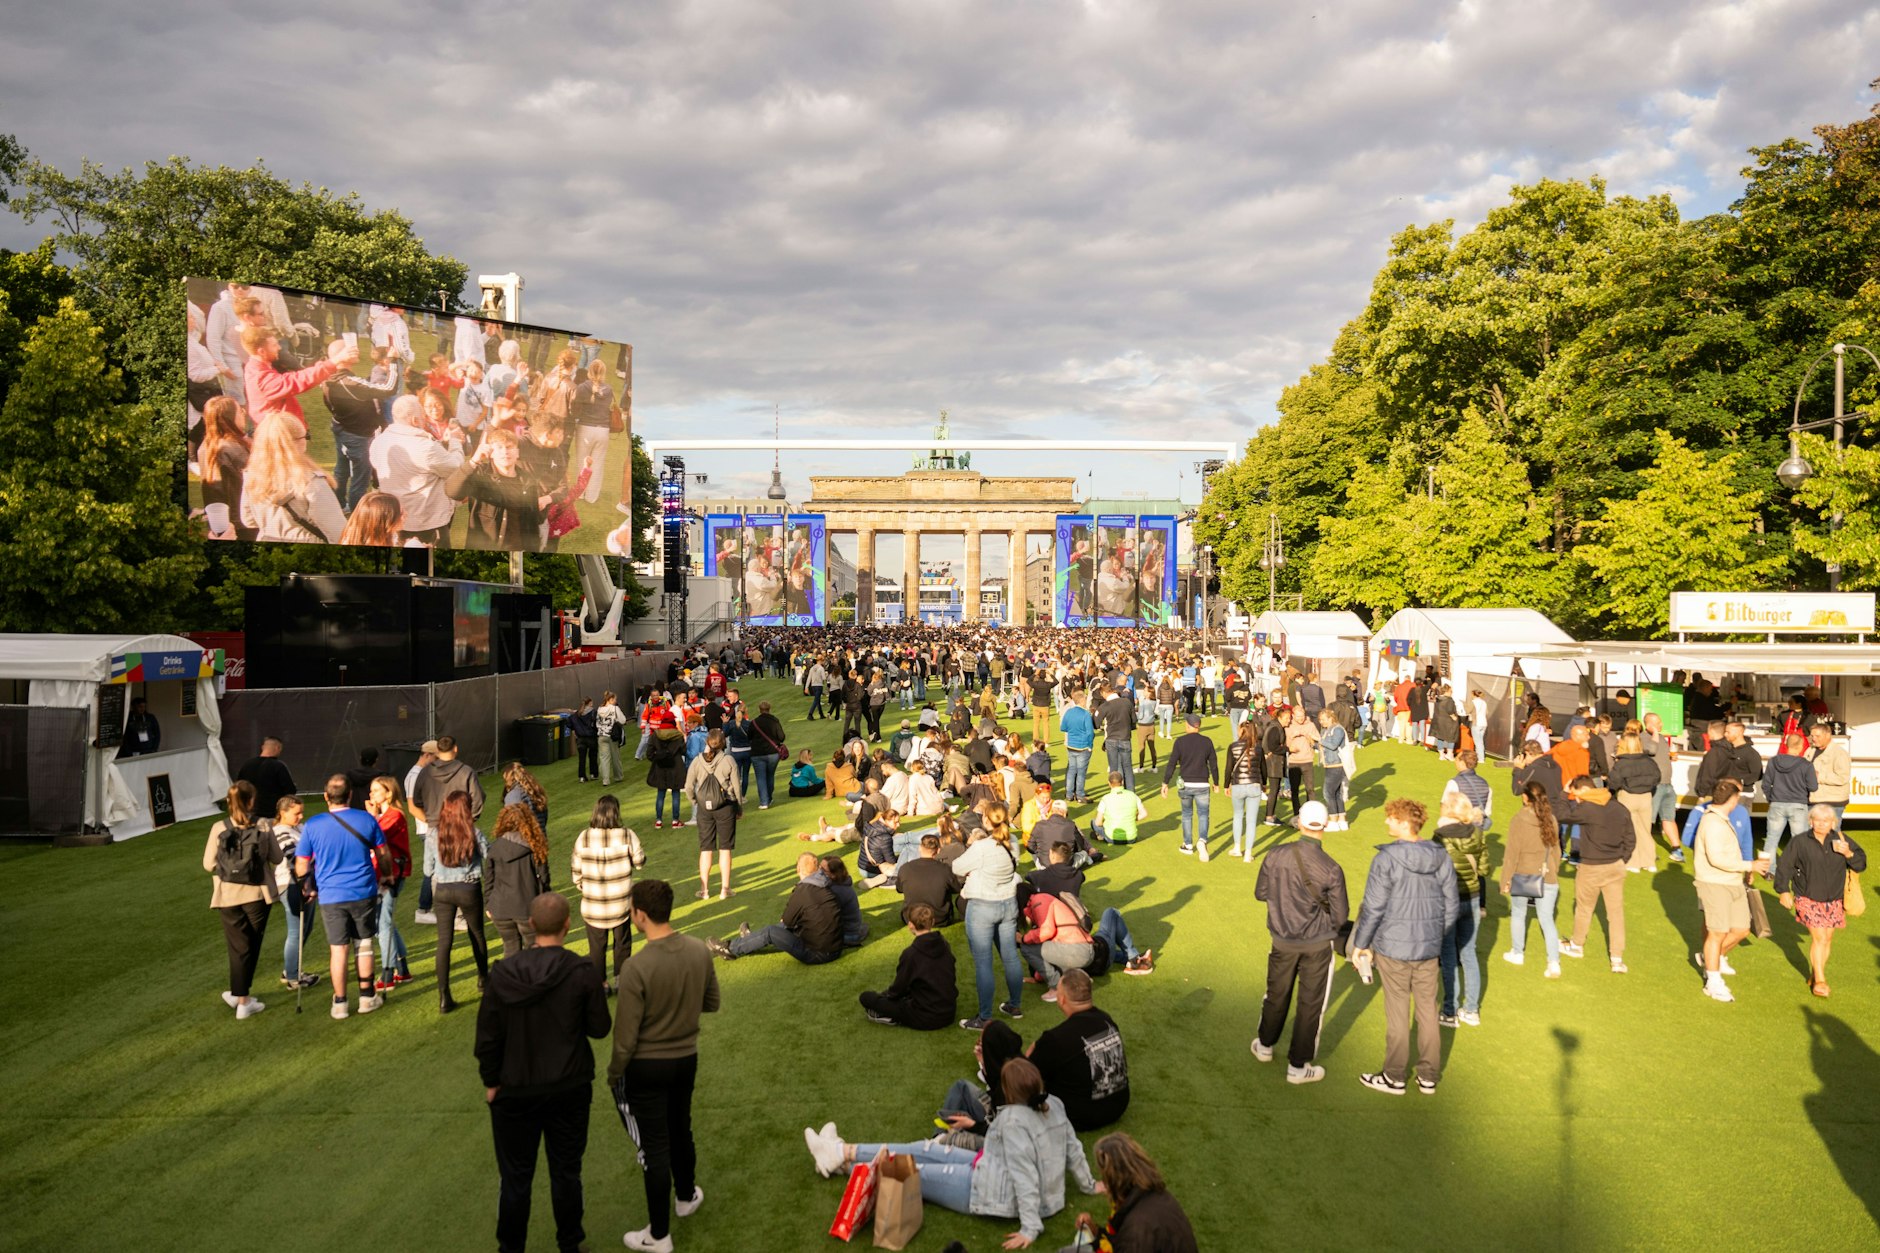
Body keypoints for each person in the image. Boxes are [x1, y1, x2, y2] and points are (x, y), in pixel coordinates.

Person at [802, 1057, 1102, 1250]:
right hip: (990, 1169)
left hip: (991, 1191)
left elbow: (1025, 1176)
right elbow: (1073, 1149)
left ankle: (840, 1160)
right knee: (922, 1149)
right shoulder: (1055, 1104)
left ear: (1009, 1093)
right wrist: (1088, 1184)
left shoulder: (1013, 1123)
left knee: (909, 1170)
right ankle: (841, 1151)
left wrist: (1030, 1229)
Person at [476, 892, 611, 1253]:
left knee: (516, 1177)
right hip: (567, 1086)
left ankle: (512, 1247)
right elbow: (599, 1028)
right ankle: (570, 1243)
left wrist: (492, 1081)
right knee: (566, 1171)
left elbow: (487, 1036)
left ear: (532, 926)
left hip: (516, 1090)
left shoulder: (504, 972)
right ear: (568, 925)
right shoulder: (581, 971)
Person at [609, 880, 721, 1253]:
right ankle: (686, 1196)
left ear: (639, 915)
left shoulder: (636, 966)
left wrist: (614, 1073)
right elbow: (712, 1002)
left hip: (645, 1067)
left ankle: (659, 1235)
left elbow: (625, 1037)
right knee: (680, 1128)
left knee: (655, 1147)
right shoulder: (697, 951)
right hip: (685, 1059)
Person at [1352, 798, 1457, 1096]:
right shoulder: (1441, 856)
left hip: (1394, 948)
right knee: (1427, 1010)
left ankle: (1394, 1076)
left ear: (1403, 822)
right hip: (1427, 948)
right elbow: (1451, 905)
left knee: (1398, 1011)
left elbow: (1373, 907)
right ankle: (1428, 1076)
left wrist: (1361, 945)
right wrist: (1436, 936)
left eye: (1390, 818)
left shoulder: (1386, 859)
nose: (1386, 822)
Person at [1252, 800, 1346, 1084]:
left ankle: (1265, 1045)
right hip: (1317, 944)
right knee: (1311, 1004)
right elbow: (1341, 916)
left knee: (1276, 993)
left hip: (1282, 939)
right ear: (1325, 825)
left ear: (1300, 823)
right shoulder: (1331, 867)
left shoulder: (1276, 855)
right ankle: (1298, 1065)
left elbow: (1261, 893)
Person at [294, 774, 388, 1020]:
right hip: (363, 890)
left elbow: (301, 866)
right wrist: (387, 876)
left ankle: (340, 1002)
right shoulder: (365, 819)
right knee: (364, 944)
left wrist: (307, 884)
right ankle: (367, 996)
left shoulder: (313, 825)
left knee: (338, 950)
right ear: (349, 795)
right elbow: (383, 852)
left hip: (331, 895)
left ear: (326, 797)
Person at [204, 781, 284, 1020]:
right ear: (251, 801)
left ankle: (239, 995)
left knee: (239, 948)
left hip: (228, 894)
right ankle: (242, 999)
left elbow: (208, 864)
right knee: (250, 947)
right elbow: (277, 857)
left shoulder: (219, 827)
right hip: (257, 894)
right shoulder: (263, 826)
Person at [1775, 804, 1867, 997]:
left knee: (1828, 939)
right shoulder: (1800, 842)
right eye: (1818, 820)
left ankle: (1815, 974)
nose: (1822, 824)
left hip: (1834, 899)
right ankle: (1821, 982)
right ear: (1811, 821)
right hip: (1808, 896)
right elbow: (1785, 866)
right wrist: (1783, 891)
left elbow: (1861, 863)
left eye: (1826, 820)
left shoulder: (1841, 840)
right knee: (1820, 938)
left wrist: (1848, 854)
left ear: (1833, 822)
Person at [1691, 782, 1771, 1003]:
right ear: (1733, 800)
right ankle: (1713, 983)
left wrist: (1746, 869)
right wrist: (1749, 866)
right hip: (1715, 884)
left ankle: (1710, 958)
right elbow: (1717, 859)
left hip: (1733, 883)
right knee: (1716, 933)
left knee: (1742, 929)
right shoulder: (1713, 823)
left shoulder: (1721, 820)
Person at [1025, 968, 1130, 1132]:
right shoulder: (1106, 1020)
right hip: (1118, 1105)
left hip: (1080, 1116)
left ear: (1062, 999)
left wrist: (1032, 1051)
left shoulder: (1055, 1038)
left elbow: (1026, 1075)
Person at [954, 802, 1027, 1030]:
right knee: (1010, 957)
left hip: (983, 907)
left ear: (986, 820)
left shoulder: (981, 847)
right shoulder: (1012, 843)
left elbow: (957, 866)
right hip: (1007, 904)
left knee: (983, 963)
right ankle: (1014, 1005)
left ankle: (984, 1017)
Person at [1555, 776, 1637, 972]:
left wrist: (1565, 794)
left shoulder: (1588, 808)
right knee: (1616, 914)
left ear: (1583, 791)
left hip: (1591, 867)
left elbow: (1561, 814)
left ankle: (1577, 945)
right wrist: (1621, 860)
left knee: (1584, 908)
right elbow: (1630, 839)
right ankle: (1617, 959)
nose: (1577, 799)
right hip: (1615, 866)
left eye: (1577, 795)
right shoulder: (1619, 808)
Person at [1069, 1133, 1200, 1253]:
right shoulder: (1154, 1195)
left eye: (1106, 1179)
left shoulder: (1137, 1231)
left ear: (1116, 1180)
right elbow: (1120, 1242)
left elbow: (1128, 1243)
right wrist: (1095, 1233)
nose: (1104, 1186)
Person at [368, 393, 465, 547]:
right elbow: (456, 468)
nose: (425, 418)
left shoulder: (378, 442)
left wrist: (440, 443)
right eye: (422, 414)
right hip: (428, 524)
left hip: (393, 520)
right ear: (414, 420)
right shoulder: (425, 447)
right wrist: (455, 442)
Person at [709, 853, 843, 964]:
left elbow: (787, 922)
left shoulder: (802, 891)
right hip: (835, 947)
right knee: (782, 929)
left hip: (818, 953)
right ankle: (750, 940)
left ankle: (730, 949)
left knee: (771, 932)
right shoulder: (825, 884)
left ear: (798, 869)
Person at [572, 795, 646, 994]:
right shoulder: (627, 835)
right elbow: (639, 861)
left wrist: (583, 886)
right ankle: (622, 980)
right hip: (620, 902)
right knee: (622, 943)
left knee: (597, 946)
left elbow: (576, 872)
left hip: (593, 904)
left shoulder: (584, 837)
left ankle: (601, 983)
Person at [427, 790, 492, 1013]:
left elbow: (427, 869)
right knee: (477, 934)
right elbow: (489, 855)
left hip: (443, 890)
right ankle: (483, 979)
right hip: (468, 886)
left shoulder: (434, 834)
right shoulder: (473, 831)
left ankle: (444, 995)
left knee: (444, 941)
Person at [242, 412, 346, 542]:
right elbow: (338, 532)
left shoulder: (251, 475)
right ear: (295, 442)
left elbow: (249, 520)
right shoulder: (312, 483)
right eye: (306, 436)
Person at [1432, 793, 1487, 1028]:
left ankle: (1449, 1010)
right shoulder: (1477, 832)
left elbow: (1433, 867)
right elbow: (1483, 868)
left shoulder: (1440, 836)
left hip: (1448, 899)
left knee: (1448, 955)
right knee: (1469, 953)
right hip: (1472, 897)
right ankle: (1471, 1010)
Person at [1499, 782, 1564, 978]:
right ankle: (1554, 962)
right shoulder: (1550, 818)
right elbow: (1556, 850)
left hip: (1523, 873)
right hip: (1548, 874)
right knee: (1547, 919)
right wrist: (1554, 870)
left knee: (1518, 913)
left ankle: (1518, 952)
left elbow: (1512, 854)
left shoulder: (1519, 819)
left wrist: (1505, 879)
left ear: (1526, 798)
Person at [859, 903, 958, 1029]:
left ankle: (888, 1015)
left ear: (910, 924)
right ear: (932, 922)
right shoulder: (944, 945)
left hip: (924, 1017)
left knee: (866, 997)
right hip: (948, 1012)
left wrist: (885, 996)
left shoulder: (911, 954)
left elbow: (898, 990)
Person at [365, 775, 414, 992]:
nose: (371, 794)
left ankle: (388, 972)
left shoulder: (394, 816)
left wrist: (372, 817)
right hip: (385, 872)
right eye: (371, 790)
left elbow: (374, 836)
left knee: (382, 923)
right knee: (386, 922)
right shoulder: (387, 815)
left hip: (392, 873)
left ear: (389, 793)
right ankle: (402, 969)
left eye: (376, 790)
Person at [487, 803, 553, 961]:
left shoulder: (495, 848)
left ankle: (512, 983)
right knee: (534, 952)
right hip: (526, 907)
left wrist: (488, 904)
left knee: (510, 949)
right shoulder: (535, 847)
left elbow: (489, 880)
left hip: (500, 908)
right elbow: (544, 879)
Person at [685, 729, 742, 900]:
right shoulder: (728, 760)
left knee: (706, 849)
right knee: (725, 848)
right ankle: (725, 889)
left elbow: (688, 786)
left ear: (707, 743)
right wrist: (738, 807)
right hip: (726, 806)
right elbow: (737, 787)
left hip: (704, 809)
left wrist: (695, 802)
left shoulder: (697, 761)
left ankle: (704, 890)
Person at [1160, 714, 1219, 861]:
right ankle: (1202, 840)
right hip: (1202, 783)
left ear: (1188, 725)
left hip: (1185, 784)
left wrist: (1165, 782)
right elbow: (1213, 764)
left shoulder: (1180, 742)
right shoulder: (1207, 741)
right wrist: (1216, 783)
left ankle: (1188, 844)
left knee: (1187, 814)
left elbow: (1172, 763)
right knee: (1203, 814)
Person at [1018, 887, 1095, 998]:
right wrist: (1038, 977)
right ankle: (1078, 978)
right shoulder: (1043, 898)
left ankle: (1056, 988)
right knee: (1037, 946)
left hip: (1078, 950)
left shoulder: (1038, 901)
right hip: (1082, 949)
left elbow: (1046, 931)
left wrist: (1024, 939)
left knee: (1027, 948)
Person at [1607, 731, 1663, 873]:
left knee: (1629, 831)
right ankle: (1649, 861)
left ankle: (1633, 862)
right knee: (1645, 830)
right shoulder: (1649, 761)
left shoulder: (1621, 763)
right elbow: (1657, 777)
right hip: (1645, 797)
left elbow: (1613, 782)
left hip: (1627, 796)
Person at [1760, 733, 1818, 861]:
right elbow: (1813, 787)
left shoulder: (1773, 761)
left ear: (1786, 745)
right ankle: (1798, 869)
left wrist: (1772, 799)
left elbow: (1765, 784)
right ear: (1801, 746)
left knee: (1772, 838)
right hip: (1799, 805)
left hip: (1777, 803)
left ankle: (1769, 870)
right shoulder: (1806, 764)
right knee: (1799, 840)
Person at [1224, 719, 1268, 859]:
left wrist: (1226, 785)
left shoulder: (1233, 746)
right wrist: (1264, 784)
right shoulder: (1259, 749)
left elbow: (1228, 768)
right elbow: (1263, 769)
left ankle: (1237, 847)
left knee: (1237, 816)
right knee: (1251, 821)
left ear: (1241, 731)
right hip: (1254, 785)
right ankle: (1248, 853)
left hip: (1238, 785)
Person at [896, 833, 960, 926]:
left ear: (919, 848)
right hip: (939, 918)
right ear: (938, 851)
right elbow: (956, 889)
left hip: (911, 918)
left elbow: (899, 889)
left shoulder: (905, 868)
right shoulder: (945, 869)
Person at [234, 736, 296, 821]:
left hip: (249, 813)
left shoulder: (247, 765)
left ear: (263, 747)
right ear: (278, 748)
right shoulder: (278, 766)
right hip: (272, 814)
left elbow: (239, 787)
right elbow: (290, 790)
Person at [1805, 724, 1853, 827]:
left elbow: (1843, 777)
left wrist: (1818, 777)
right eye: (1812, 736)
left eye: (1817, 736)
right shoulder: (1810, 750)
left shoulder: (1840, 753)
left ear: (1828, 735)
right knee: (1811, 834)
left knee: (1832, 835)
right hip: (1814, 799)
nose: (1813, 739)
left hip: (1833, 801)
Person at [747, 700, 788, 809]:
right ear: (769, 709)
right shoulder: (774, 721)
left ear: (759, 710)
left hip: (757, 753)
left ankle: (764, 802)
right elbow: (781, 737)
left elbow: (749, 736)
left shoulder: (754, 722)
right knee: (770, 775)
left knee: (761, 778)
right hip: (773, 753)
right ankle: (768, 798)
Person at [1091, 771, 1148, 847]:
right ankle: (1100, 836)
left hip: (1111, 838)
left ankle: (1101, 835)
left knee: (1093, 822)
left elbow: (1098, 823)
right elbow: (1144, 814)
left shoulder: (1105, 798)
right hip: (1131, 838)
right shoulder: (1133, 795)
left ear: (1109, 783)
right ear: (1122, 782)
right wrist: (1133, 818)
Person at [1060, 689, 1096, 803]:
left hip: (1071, 745)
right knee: (1081, 772)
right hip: (1083, 746)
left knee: (1071, 770)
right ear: (1082, 700)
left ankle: (1069, 794)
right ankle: (1080, 795)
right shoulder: (1085, 714)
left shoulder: (1069, 712)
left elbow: (1063, 727)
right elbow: (1090, 732)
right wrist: (1090, 744)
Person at [1317, 708, 1350, 831]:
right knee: (1336, 794)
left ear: (1331, 718)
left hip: (1336, 765)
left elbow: (1333, 745)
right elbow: (1323, 745)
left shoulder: (1338, 729)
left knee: (1328, 792)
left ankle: (1333, 821)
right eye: (1320, 720)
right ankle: (1342, 820)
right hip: (1331, 765)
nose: (1321, 722)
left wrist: (1318, 739)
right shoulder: (1327, 730)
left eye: (1323, 719)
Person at [570, 698, 600, 784]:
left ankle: (582, 776)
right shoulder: (593, 712)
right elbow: (596, 724)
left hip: (580, 739)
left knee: (581, 759)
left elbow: (569, 723)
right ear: (590, 703)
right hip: (591, 737)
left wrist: (575, 730)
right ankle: (593, 774)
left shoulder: (576, 714)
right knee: (593, 756)